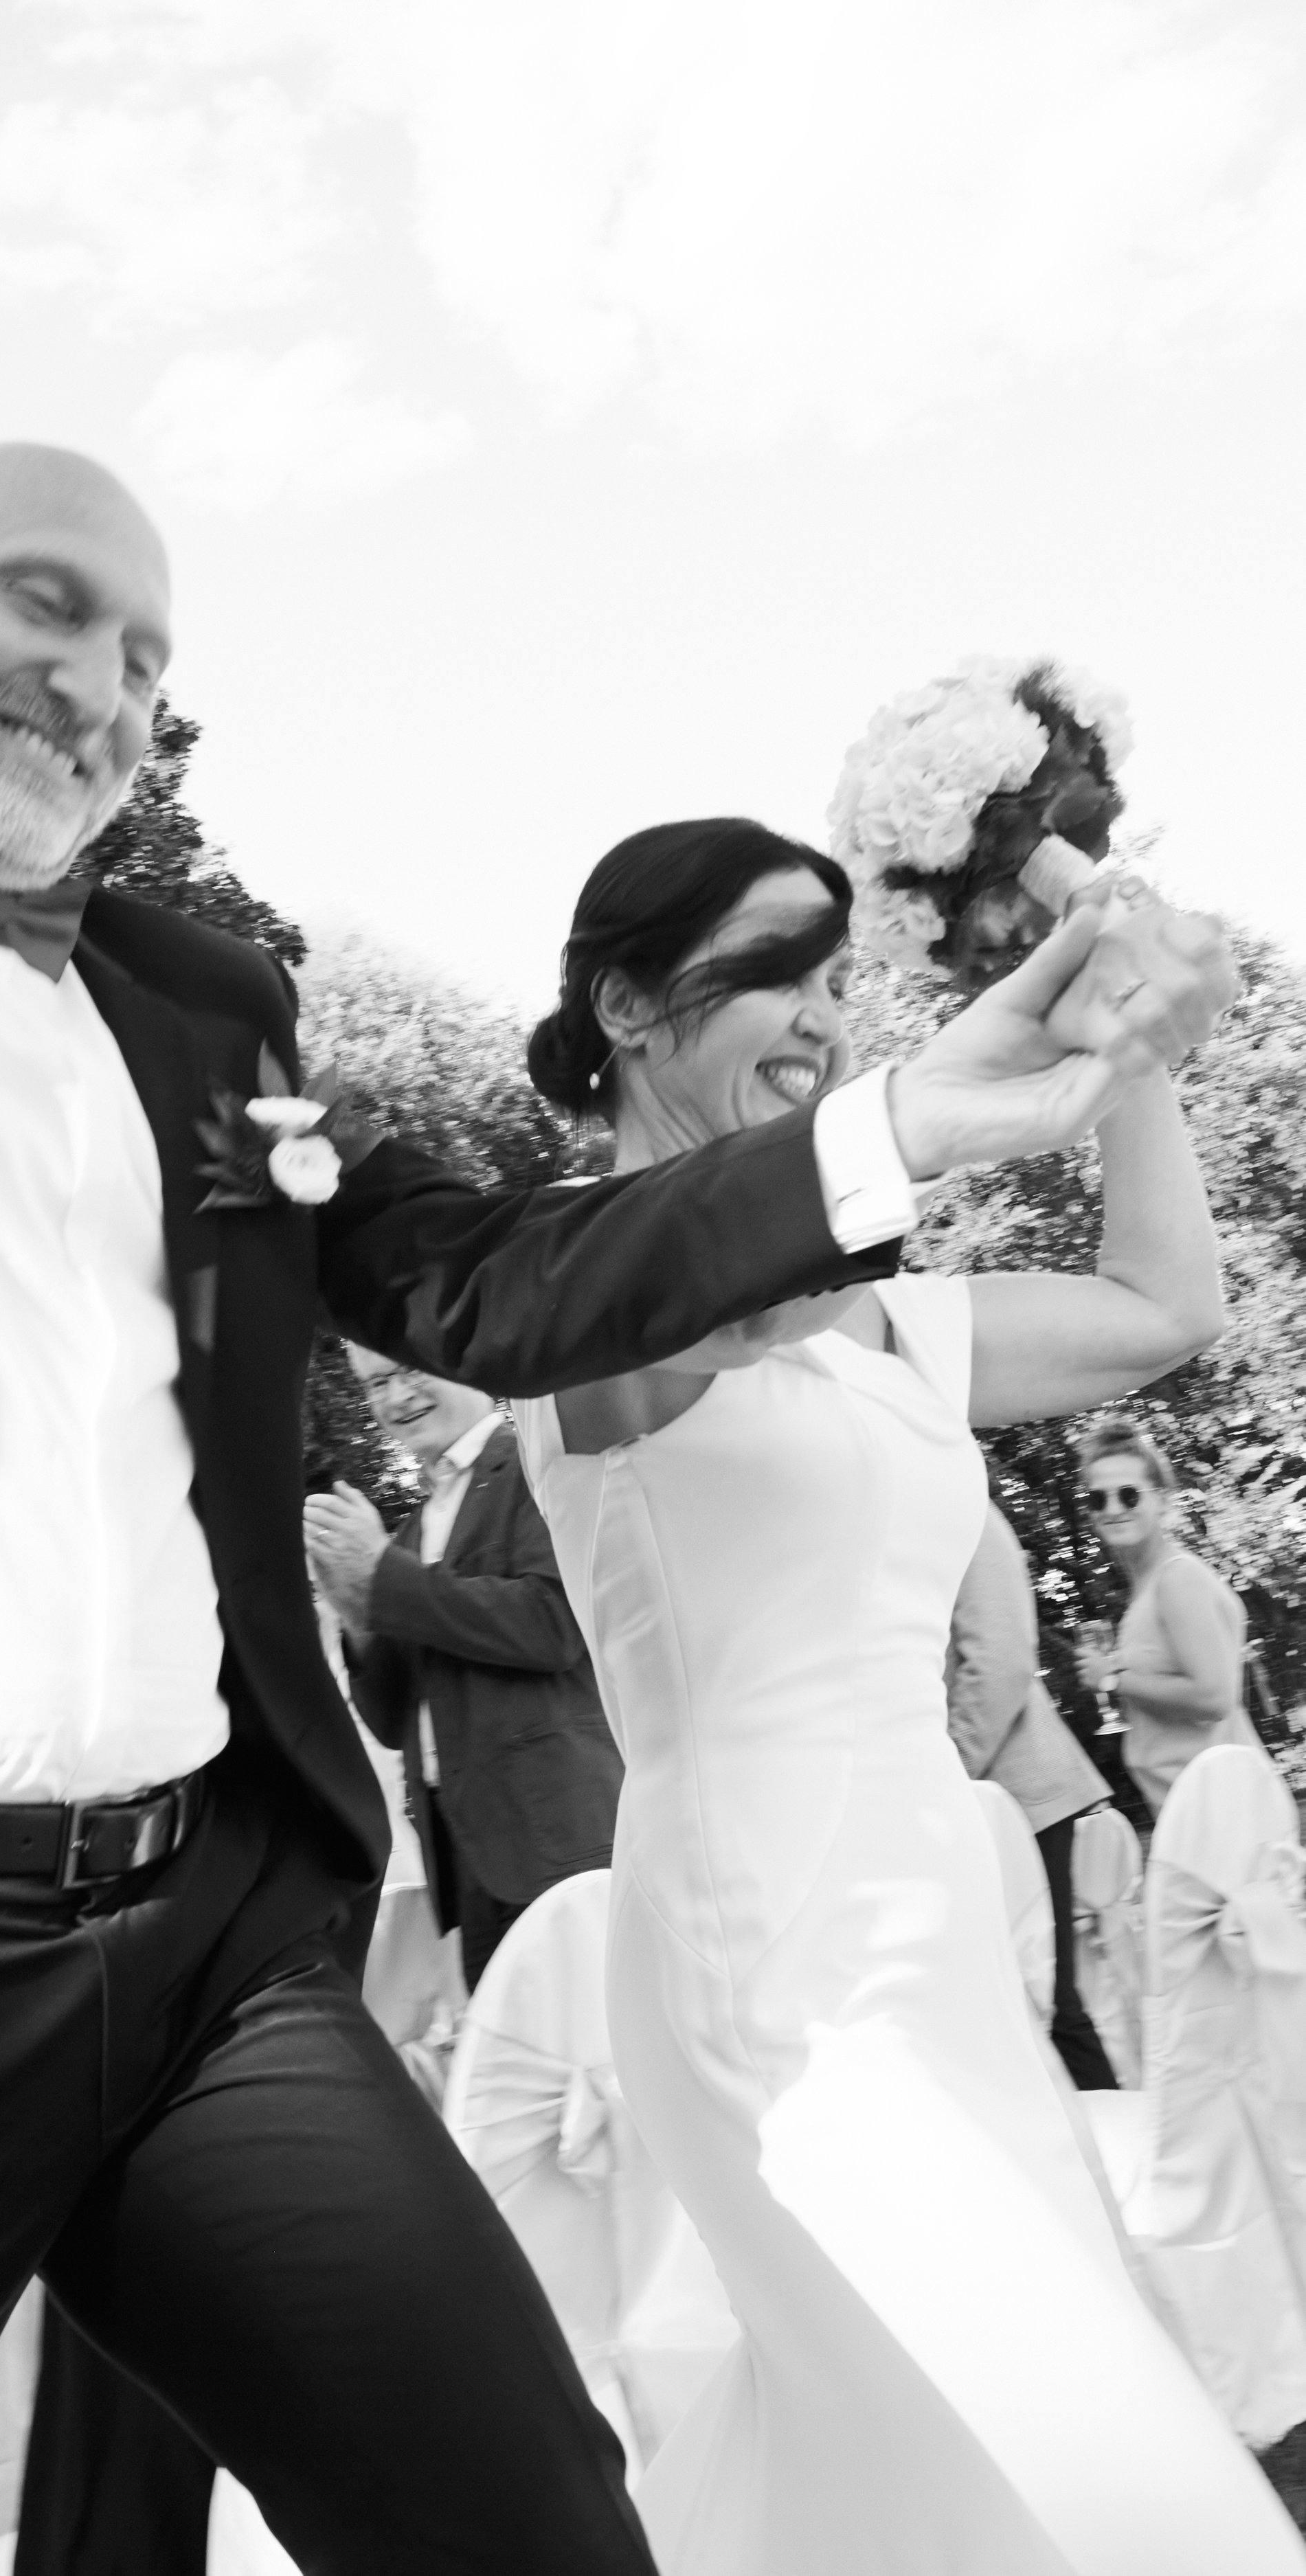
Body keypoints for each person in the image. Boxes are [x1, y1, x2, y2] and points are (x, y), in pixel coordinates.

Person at [0, 435, 1231, 2576]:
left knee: (528, 2515)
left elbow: (488, 1280)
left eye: (148, 652)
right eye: (45, 603)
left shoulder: (198, 1005)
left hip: (198, 1959)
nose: (101, 685)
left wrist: (911, 1114)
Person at [508, 817, 1301, 2572]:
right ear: (629, 1003)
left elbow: (1161, 1301)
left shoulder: (892, 1326)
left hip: (935, 1934)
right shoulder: (567, 1279)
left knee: (908, 2474)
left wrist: (1124, 1032)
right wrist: (899, 1140)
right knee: (1089, 2473)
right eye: (773, 972)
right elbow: (660, 1324)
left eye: (840, 977)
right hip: (764, 1946)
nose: (823, 1015)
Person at [307, 1351, 622, 1989]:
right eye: (377, 1385)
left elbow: (556, 1625)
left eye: (409, 1371)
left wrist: (384, 1580)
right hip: (467, 1864)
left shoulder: (540, 1468)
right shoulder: (412, 1530)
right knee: (512, 2081)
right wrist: (360, 1619)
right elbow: (394, 1722)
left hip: (560, 1843)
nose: (397, 1398)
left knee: (601, 2064)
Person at [946, 1498, 1119, 2090]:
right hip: (969, 1803)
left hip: (1024, 1797)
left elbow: (1003, 1659)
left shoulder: (965, 1513)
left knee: (1050, 2005)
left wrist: (947, 1766)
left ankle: (1121, 2161)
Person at [1072, 1418, 1271, 1821]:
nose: (1112, 1509)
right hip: (1193, 1814)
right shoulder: (1151, 1588)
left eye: (1129, 1496)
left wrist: (1113, 1679)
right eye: (1098, 1499)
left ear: (1162, 1499)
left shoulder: (1178, 1579)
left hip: (1221, 1815)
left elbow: (1215, 1698)